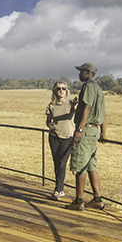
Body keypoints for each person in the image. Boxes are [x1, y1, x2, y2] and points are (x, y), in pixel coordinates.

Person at [65, 63, 108, 211]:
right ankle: (97, 199)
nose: (79, 74)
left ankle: (79, 201)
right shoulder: (99, 89)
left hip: (87, 130)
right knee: (91, 165)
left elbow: (88, 108)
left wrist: (80, 129)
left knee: (80, 165)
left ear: (88, 73)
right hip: (94, 131)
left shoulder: (89, 87)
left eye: (81, 72)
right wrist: (103, 133)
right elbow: (103, 113)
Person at [45, 81, 78, 200]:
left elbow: (72, 112)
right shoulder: (51, 105)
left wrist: (74, 104)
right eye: (59, 88)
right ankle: (59, 188)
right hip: (54, 137)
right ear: (55, 91)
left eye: (64, 88)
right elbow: (48, 120)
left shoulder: (70, 103)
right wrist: (50, 126)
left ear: (66, 90)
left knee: (62, 163)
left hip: (67, 137)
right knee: (56, 162)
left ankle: (58, 189)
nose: (61, 90)